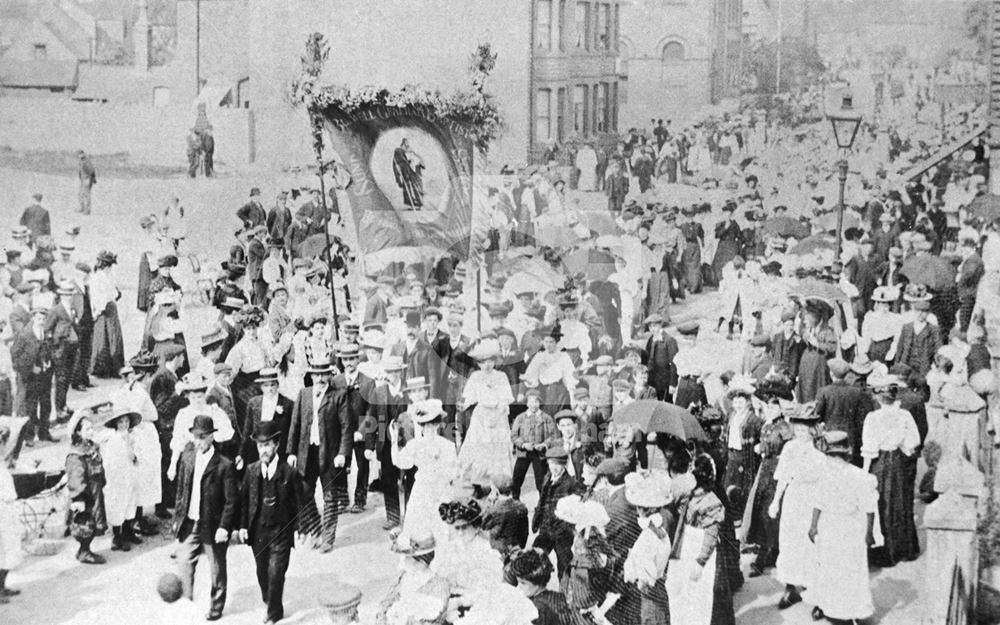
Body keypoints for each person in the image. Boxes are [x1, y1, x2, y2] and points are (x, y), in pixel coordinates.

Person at [172, 415, 239, 622]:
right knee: (184, 563)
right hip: (190, 522)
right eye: (195, 437)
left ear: (211, 437)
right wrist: (177, 518)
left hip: (213, 524)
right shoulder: (187, 457)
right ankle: (185, 603)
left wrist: (224, 527)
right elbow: (181, 491)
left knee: (217, 568)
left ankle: (216, 606)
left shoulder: (224, 464)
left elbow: (231, 501)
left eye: (202, 437)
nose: (198, 441)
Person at [808, 431, 878, 624]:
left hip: (851, 526)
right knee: (829, 567)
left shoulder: (860, 476)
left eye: (837, 457)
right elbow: (818, 501)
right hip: (829, 525)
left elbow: (869, 507)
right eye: (830, 457)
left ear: (846, 456)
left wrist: (869, 532)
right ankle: (829, 606)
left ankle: (852, 610)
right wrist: (813, 526)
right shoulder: (824, 476)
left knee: (850, 570)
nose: (833, 462)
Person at [286, 360, 352, 552]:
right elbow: (295, 424)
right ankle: (316, 528)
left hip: (330, 454)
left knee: (330, 497)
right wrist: (291, 451)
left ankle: (328, 539)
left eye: (324, 374)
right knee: (305, 493)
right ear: (311, 376)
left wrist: (342, 453)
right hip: (307, 453)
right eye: (317, 375)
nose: (320, 378)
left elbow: (347, 427)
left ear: (329, 376)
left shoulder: (338, 396)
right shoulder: (304, 394)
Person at [238, 421, 298, 625]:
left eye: (267, 445)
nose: (263, 450)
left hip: (281, 531)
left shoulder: (288, 472)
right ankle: (271, 601)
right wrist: (243, 526)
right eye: (260, 446)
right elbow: (244, 501)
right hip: (258, 532)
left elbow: (300, 501)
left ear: (277, 445)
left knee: (275, 573)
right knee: (262, 572)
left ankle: (273, 613)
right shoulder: (251, 470)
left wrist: (302, 528)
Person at [665, 453, 735, 625]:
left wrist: (701, 561)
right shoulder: (688, 495)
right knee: (688, 594)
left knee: (710, 596)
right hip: (688, 546)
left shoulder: (710, 502)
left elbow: (711, 535)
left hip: (704, 555)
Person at [768, 403, 824, 610]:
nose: (801, 434)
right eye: (797, 429)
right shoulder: (789, 447)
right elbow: (783, 477)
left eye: (805, 430)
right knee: (790, 542)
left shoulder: (819, 450)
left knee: (811, 543)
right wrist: (776, 501)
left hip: (813, 499)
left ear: (812, 430)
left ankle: (817, 592)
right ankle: (791, 588)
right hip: (793, 498)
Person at [863, 372, 920, 567]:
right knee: (900, 500)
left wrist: (864, 472)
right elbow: (913, 441)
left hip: (880, 462)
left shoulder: (873, 418)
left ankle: (885, 551)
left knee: (882, 503)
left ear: (878, 397)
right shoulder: (904, 415)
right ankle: (904, 548)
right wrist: (902, 448)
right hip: (897, 461)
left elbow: (869, 448)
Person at [390, 399, 457, 547]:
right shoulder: (415, 445)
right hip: (422, 490)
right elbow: (402, 462)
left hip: (441, 491)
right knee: (419, 530)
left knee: (443, 530)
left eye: (433, 424)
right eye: (426, 425)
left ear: (439, 424)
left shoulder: (448, 446)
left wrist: (443, 478)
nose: (430, 429)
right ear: (421, 426)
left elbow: (453, 472)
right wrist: (394, 441)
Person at [458, 338, 515, 482]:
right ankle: (477, 480)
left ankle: (499, 481)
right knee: (479, 446)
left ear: (495, 361)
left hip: (498, 414)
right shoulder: (475, 376)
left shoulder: (501, 376)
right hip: (481, 414)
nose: (487, 365)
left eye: (490, 361)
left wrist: (498, 415)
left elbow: (505, 399)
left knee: (498, 445)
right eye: (483, 362)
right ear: (478, 363)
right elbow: (468, 397)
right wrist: (461, 405)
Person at [622, 470, 673, 625]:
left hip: (650, 596)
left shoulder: (647, 537)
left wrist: (635, 573)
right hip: (660, 587)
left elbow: (645, 581)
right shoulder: (660, 530)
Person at [64, 410, 108, 564]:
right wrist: (78, 498)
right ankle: (84, 550)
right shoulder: (76, 454)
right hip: (85, 494)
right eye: (87, 429)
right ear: (78, 431)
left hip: (95, 492)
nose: (91, 431)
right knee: (85, 524)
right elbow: (76, 477)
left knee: (94, 521)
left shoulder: (92, 447)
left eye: (92, 428)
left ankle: (86, 548)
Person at [101, 404, 142, 552]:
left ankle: (127, 533)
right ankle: (116, 536)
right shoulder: (113, 440)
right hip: (117, 477)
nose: (124, 425)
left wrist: (134, 454)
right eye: (120, 422)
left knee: (129, 504)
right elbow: (109, 461)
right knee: (117, 505)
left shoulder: (133, 437)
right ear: (116, 424)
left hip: (130, 475)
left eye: (126, 421)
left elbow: (137, 457)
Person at [12, 307, 54, 445]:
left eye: (43, 319)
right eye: (38, 319)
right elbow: (15, 356)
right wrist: (30, 368)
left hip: (45, 375)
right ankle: (29, 436)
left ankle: (44, 432)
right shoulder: (25, 335)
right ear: (33, 318)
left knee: (46, 404)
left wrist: (48, 362)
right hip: (31, 377)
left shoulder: (46, 333)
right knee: (31, 406)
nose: (41, 322)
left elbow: (48, 349)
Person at [238, 368, 294, 468]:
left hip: (279, 452)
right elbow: (247, 431)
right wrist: (241, 454)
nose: (270, 389)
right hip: (257, 452)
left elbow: (291, 433)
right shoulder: (253, 403)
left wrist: (291, 453)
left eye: (273, 384)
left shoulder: (288, 404)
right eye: (266, 385)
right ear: (261, 387)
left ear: (278, 385)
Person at [508, 547, 578, 625]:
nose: (519, 587)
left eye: (523, 583)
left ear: (537, 581)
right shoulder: (560, 597)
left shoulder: (533, 608)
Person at [510, 388, 557, 499]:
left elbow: (553, 436)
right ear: (526, 403)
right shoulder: (520, 418)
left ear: (540, 403)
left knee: (542, 482)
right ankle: (515, 502)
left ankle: (542, 505)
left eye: (536, 401)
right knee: (516, 480)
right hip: (523, 453)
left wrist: (544, 445)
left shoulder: (547, 418)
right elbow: (514, 436)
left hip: (540, 454)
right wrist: (523, 444)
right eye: (531, 401)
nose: (534, 404)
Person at [47, 280, 80, 421]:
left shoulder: (72, 308)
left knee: (67, 378)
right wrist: (52, 349)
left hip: (71, 348)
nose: (69, 297)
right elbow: (47, 329)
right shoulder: (56, 310)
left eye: (70, 294)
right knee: (60, 379)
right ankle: (59, 409)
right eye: (66, 294)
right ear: (61, 295)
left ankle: (64, 405)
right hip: (60, 349)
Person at [90, 251, 124, 378]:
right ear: (107, 266)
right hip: (106, 310)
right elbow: (101, 297)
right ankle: (106, 368)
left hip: (108, 309)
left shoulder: (104, 276)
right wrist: (98, 311)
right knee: (108, 338)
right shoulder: (100, 277)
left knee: (108, 338)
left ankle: (108, 368)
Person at [797, 301, 838, 402]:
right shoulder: (809, 329)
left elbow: (832, 347)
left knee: (817, 392)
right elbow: (801, 332)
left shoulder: (827, 330)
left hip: (819, 368)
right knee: (806, 392)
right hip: (807, 368)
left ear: (814, 318)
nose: (804, 322)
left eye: (807, 319)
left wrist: (817, 344)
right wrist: (805, 336)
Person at [482, 473, 529, 557]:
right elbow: (525, 532)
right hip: (517, 548)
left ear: (496, 491)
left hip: (499, 551)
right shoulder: (522, 507)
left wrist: (490, 505)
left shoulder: (494, 510)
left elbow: (484, 525)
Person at [0, 425, 20, 601]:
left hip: (8, 509)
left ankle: (2, 585)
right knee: (2, 549)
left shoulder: (2, 462)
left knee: (10, 548)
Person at [393, 138, 425, 209]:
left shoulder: (404, 152)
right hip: (406, 171)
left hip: (409, 171)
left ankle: (417, 204)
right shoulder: (398, 150)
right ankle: (413, 204)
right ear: (404, 143)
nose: (408, 144)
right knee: (409, 187)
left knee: (414, 186)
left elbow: (404, 161)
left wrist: (410, 161)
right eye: (407, 143)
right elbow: (400, 162)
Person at [78, 150, 97, 215]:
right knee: (80, 195)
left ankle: (87, 210)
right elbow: (81, 172)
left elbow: (92, 171)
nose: (80, 156)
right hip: (83, 180)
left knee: (87, 196)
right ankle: (82, 208)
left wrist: (92, 180)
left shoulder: (87, 162)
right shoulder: (81, 162)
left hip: (87, 180)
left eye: (80, 154)